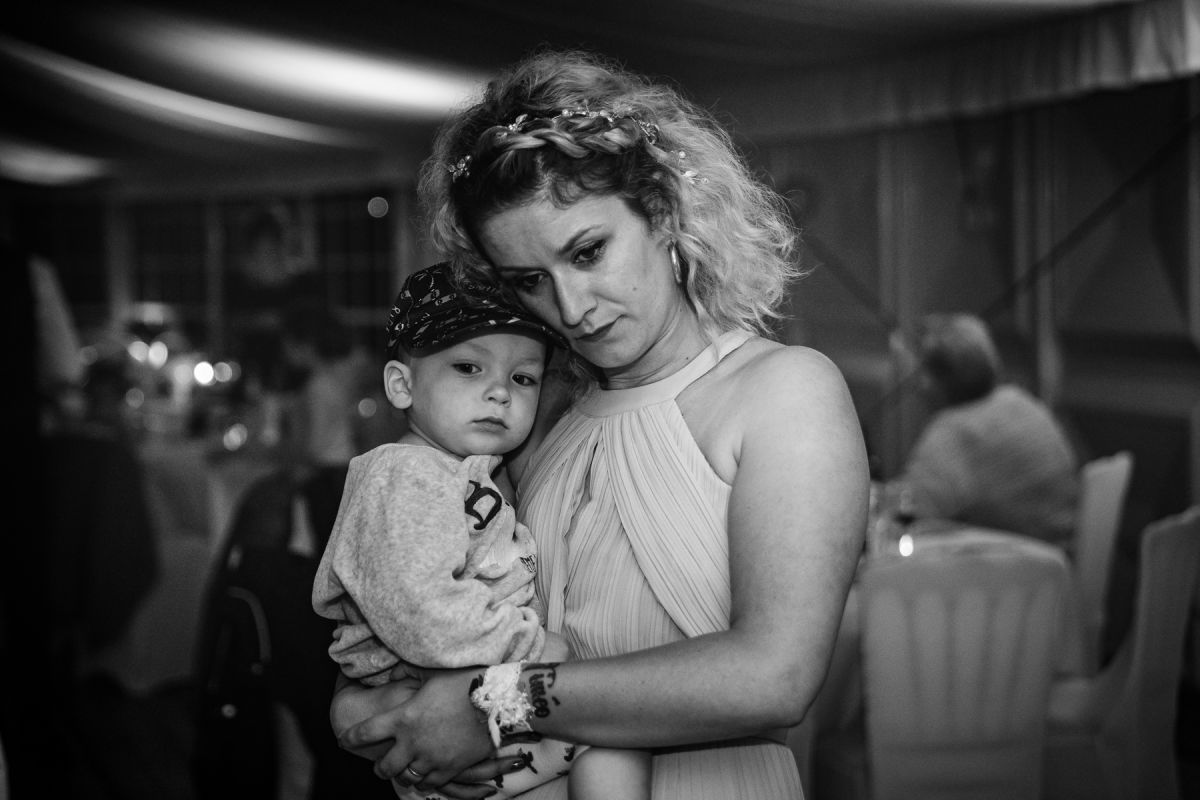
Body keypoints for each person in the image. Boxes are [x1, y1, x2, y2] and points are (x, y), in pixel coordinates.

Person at [330, 49, 869, 800]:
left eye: (588, 253)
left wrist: (497, 703)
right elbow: (415, 608)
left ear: (663, 210)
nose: (571, 307)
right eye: (530, 281)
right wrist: (379, 711)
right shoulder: (536, 419)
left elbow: (773, 677)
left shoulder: (785, 390)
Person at [312, 262, 651, 800]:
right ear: (401, 385)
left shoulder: (467, 472)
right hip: (437, 688)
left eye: (522, 378)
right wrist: (534, 648)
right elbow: (419, 607)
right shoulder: (405, 474)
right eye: (468, 367)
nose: (499, 393)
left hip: (469, 694)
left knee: (611, 741)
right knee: (615, 731)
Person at [885, 312, 1079, 549]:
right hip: (1056, 558)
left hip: (1013, 563)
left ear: (934, 377)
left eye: (918, 374)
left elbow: (905, 517)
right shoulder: (1022, 402)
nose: (917, 387)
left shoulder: (952, 433)